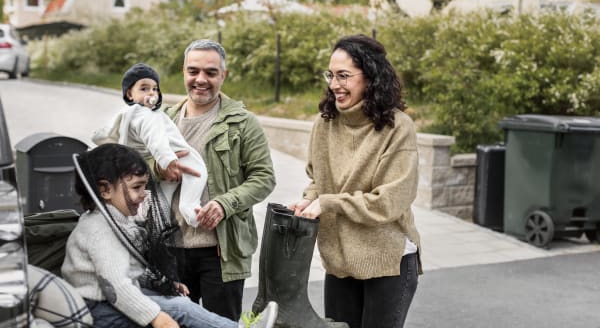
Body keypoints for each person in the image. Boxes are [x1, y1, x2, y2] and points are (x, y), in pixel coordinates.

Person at [62, 143, 278, 328]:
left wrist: (162, 284)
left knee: (176, 302)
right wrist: (156, 317)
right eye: (136, 187)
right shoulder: (100, 230)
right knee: (180, 308)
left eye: (145, 186)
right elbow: (117, 287)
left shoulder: (113, 219)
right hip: (98, 309)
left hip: (108, 302)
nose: (143, 194)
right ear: (105, 190)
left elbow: (128, 271)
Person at [290, 34, 422, 328]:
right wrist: (310, 198)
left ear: (371, 77)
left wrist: (327, 202)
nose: (335, 84)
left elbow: (389, 202)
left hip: (388, 261)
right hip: (340, 262)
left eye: (344, 76)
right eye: (331, 75)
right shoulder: (324, 123)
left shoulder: (397, 128)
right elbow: (318, 181)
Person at [155, 39, 276, 321]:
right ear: (183, 72)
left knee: (220, 324)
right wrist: (157, 169)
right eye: (193, 71)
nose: (201, 79)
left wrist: (225, 204)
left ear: (223, 75)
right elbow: (139, 169)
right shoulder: (162, 121)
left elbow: (264, 178)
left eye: (210, 72)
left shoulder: (244, 122)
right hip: (170, 249)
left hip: (221, 253)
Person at [92, 63, 207, 227]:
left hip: (166, 161)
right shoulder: (146, 115)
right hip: (179, 159)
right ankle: (191, 214)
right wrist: (167, 161)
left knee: (162, 200)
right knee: (197, 178)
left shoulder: (129, 115)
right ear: (129, 94)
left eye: (155, 88)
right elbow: (156, 139)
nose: (151, 93)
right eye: (144, 88)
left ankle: (152, 221)